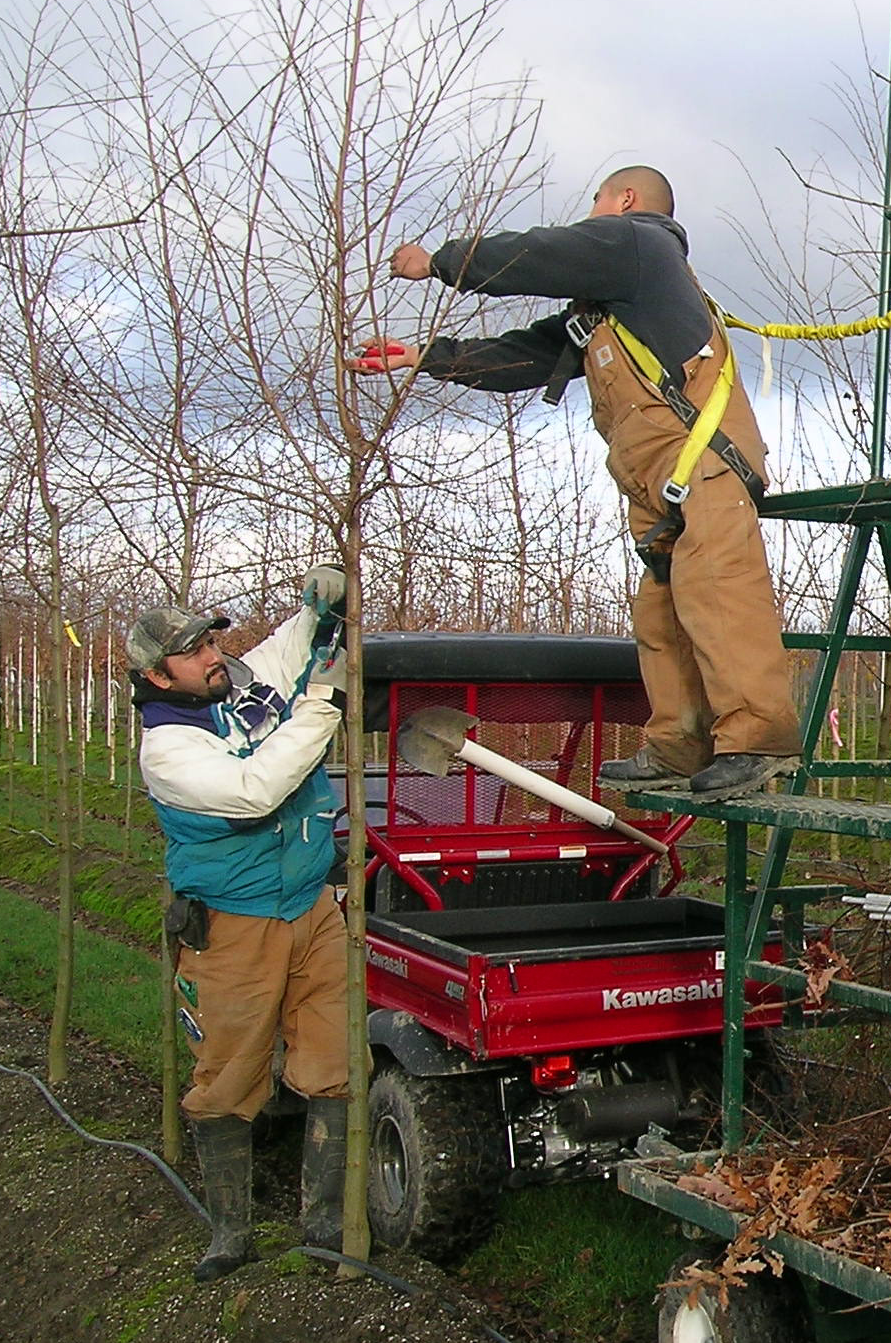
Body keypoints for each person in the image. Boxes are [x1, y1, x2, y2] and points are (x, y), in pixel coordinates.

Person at [355, 166, 799, 799]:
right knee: (663, 611)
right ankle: (679, 746)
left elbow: (544, 254)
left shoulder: (640, 242)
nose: (589, 216)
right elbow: (531, 355)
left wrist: (442, 262)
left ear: (624, 200)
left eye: (595, 202)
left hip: (702, 461)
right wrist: (429, 357)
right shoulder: (605, 310)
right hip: (656, 481)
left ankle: (757, 743)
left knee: (720, 594)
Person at [131, 576, 351, 1281]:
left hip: (313, 908)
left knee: (334, 1060)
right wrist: (323, 708)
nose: (211, 656)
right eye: (192, 652)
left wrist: (326, 600)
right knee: (228, 1074)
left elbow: (293, 645)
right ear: (156, 675)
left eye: (210, 641)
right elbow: (254, 789)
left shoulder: (238, 681)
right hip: (234, 926)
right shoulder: (168, 750)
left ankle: (323, 1222)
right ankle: (231, 1231)